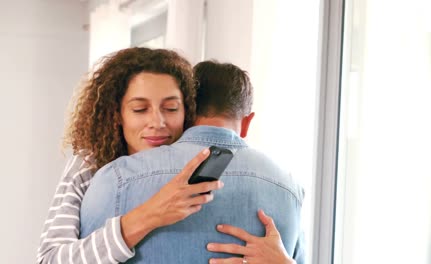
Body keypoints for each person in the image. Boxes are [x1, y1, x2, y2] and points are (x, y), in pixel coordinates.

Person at [37, 48, 293, 264]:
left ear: (189, 113)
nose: (157, 122)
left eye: (171, 108)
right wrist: (148, 215)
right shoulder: (90, 166)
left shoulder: (210, 162)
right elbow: (49, 259)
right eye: (140, 109)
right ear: (117, 114)